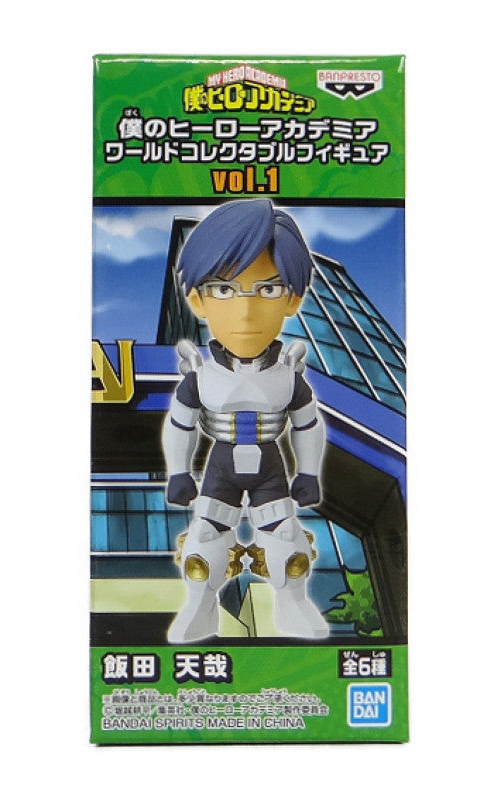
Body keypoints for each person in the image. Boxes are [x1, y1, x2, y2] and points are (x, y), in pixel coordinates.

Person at [162, 199, 327, 642]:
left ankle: (293, 605)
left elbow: (308, 425)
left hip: (272, 468)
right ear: (197, 300)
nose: (247, 311)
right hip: (220, 467)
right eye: (223, 289)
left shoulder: (288, 376)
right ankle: (200, 608)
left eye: (268, 290)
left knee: (287, 541)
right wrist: (178, 472)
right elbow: (180, 425)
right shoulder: (201, 376)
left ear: (292, 299)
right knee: (203, 540)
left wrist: (308, 473)